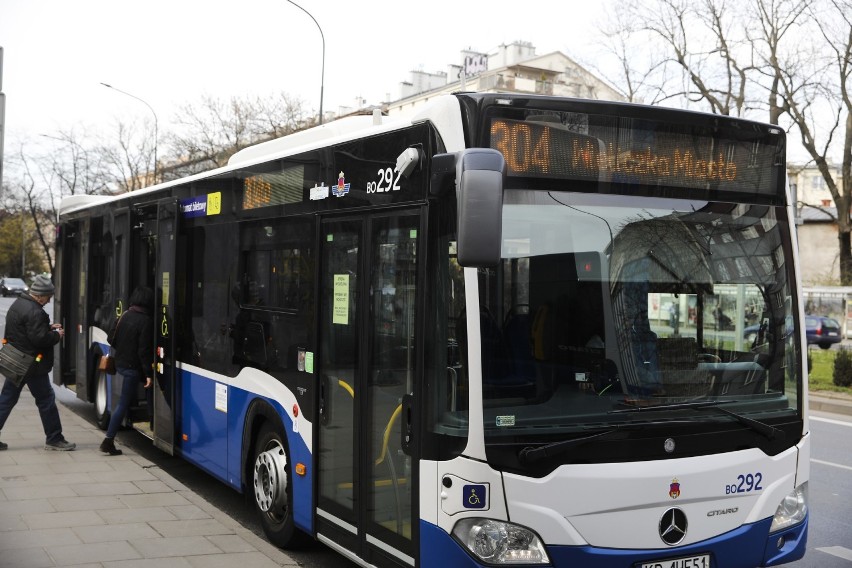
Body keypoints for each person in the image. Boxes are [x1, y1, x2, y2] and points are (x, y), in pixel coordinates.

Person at [0, 274, 76, 451]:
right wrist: (56, 335)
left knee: (6, 399)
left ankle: (54, 438)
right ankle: (54, 438)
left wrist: (47, 327)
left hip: (15, 362)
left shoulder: (19, 304)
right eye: (48, 297)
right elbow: (40, 340)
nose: (48, 301)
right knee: (46, 400)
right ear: (40, 295)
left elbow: (24, 331)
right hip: (32, 365)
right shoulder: (35, 311)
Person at [99, 286, 154, 456]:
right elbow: (143, 352)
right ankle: (108, 440)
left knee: (139, 395)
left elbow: (110, 338)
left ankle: (152, 421)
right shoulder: (146, 321)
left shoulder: (124, 315)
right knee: (123, 403)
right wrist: (148, 375)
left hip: (121, 364)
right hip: (133, 368)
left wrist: (123, 350)